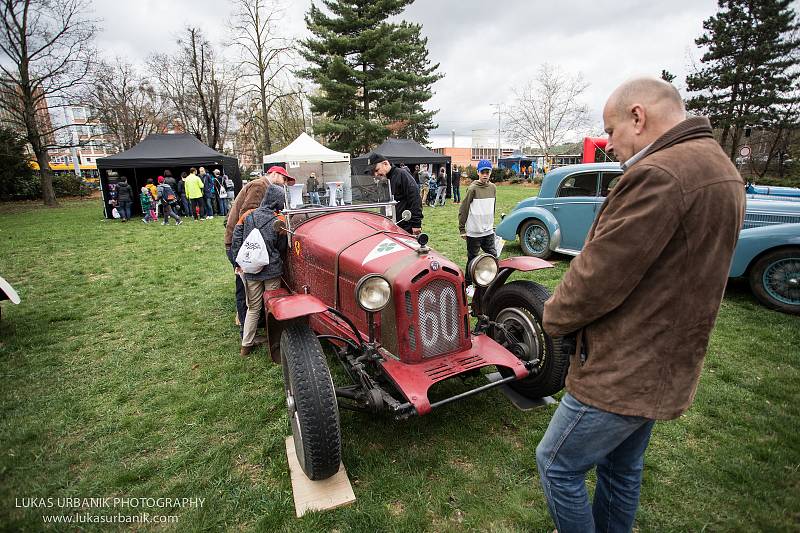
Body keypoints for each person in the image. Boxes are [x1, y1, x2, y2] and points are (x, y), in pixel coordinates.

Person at [535, 78, 746, 533]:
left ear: (638, 115)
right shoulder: (720, 166)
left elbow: (601, 274)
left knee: (556, 463)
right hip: (669, 358)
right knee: (621, 467)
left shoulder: (660, 172)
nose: (608, 144)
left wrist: (551, 317)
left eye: (611, 131)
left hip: (627, 363)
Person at [225, 166, 295, 333]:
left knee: (249, 291)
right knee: (245, 290)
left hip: (244, 247)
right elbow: (248, 219)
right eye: (284, 179)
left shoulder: (262, 187)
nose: (284, 184)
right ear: (275, 174)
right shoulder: (259, 186)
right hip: (246, 249)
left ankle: (251, 328)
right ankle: (247, 330)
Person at [230, 184, 288, 356]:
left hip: (251, 270)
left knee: (253, 308)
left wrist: (238, 263)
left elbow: (236, 241)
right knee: (273, 307)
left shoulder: (248, 215)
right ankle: (275, 343)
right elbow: (282, 247)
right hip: (272, 271)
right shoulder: (280, 220)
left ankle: (246, 345)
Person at [458, 159, 497, 288]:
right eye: (483, 172)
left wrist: (491, 223)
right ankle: (468, 285)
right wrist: (462, 228)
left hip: (488, 231)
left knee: (493, 256)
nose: (485, 174)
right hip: (474, 231)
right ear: (478, 173)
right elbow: (464, 208)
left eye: (487, 172)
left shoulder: (493, 187)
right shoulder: (472, 188)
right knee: (473, 258)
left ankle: (491, 281)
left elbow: (492, 207)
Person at [367, 154, 422, 235]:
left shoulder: (402, 174)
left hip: (405, 225)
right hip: (389, 225)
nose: (375, 174)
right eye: (373, 172)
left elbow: (415, 197)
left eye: (377, 170)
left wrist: (416, 224)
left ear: (385, 164)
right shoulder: (383, 180)